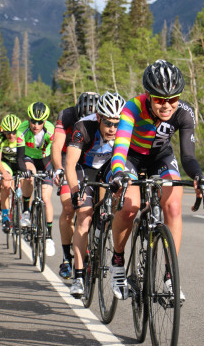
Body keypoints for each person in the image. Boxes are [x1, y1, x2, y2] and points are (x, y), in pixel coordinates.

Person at [110, 59, 204, 302]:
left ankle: (169, 275)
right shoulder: (132, 108)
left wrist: (198, 176)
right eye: (159, 99)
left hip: (161, 158)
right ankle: (118, 261)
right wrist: (117, 172)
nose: (167, 105)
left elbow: (188, 156)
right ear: (148, 96)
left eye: (173, 99)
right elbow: (120, 147)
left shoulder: (184, 113)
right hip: (132, 159)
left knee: (174, 206)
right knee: (129, 207)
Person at [65, 91, 126, 297]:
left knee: (120, 203)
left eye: (117, 124)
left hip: (110, 167)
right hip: (86, 168)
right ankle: (79, 276)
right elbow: (70, 164)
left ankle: (104, 230)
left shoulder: (125, 129)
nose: (113, 129)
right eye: (108, 123)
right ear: (98, 117)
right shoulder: (83, 128)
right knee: (84, 215)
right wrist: (75, 192)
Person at [51, 92, 100, 279]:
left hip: (94, 159)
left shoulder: (103, 120)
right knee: (68, 205)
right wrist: (58, 168)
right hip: (69, 158)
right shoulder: (67, 115)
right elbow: (56, 145)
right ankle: (66, 258)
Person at [17, 102, 56, 257]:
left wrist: (55, 170)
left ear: (45, 121)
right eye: (33, 121)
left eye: (40, 122)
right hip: (29, 158)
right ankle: (26, 211)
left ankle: (49, 237)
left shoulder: (51, 130)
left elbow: (56, 152)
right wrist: (25, 171)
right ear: (28, 119)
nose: (36, 125)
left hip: (46, 159)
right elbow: (19, 157)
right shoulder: (22, 129)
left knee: (46, 199)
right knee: (29, 177)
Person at [0, 114, 21, 232]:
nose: (11, 135)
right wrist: (4, 173)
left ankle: (24, 213)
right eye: (8, 132)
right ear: (3, 131)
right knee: (5, 185)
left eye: (14, 132)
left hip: (19, 163)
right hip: (6, 164)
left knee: (25, 183)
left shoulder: (22, 137)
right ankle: (5, 217)